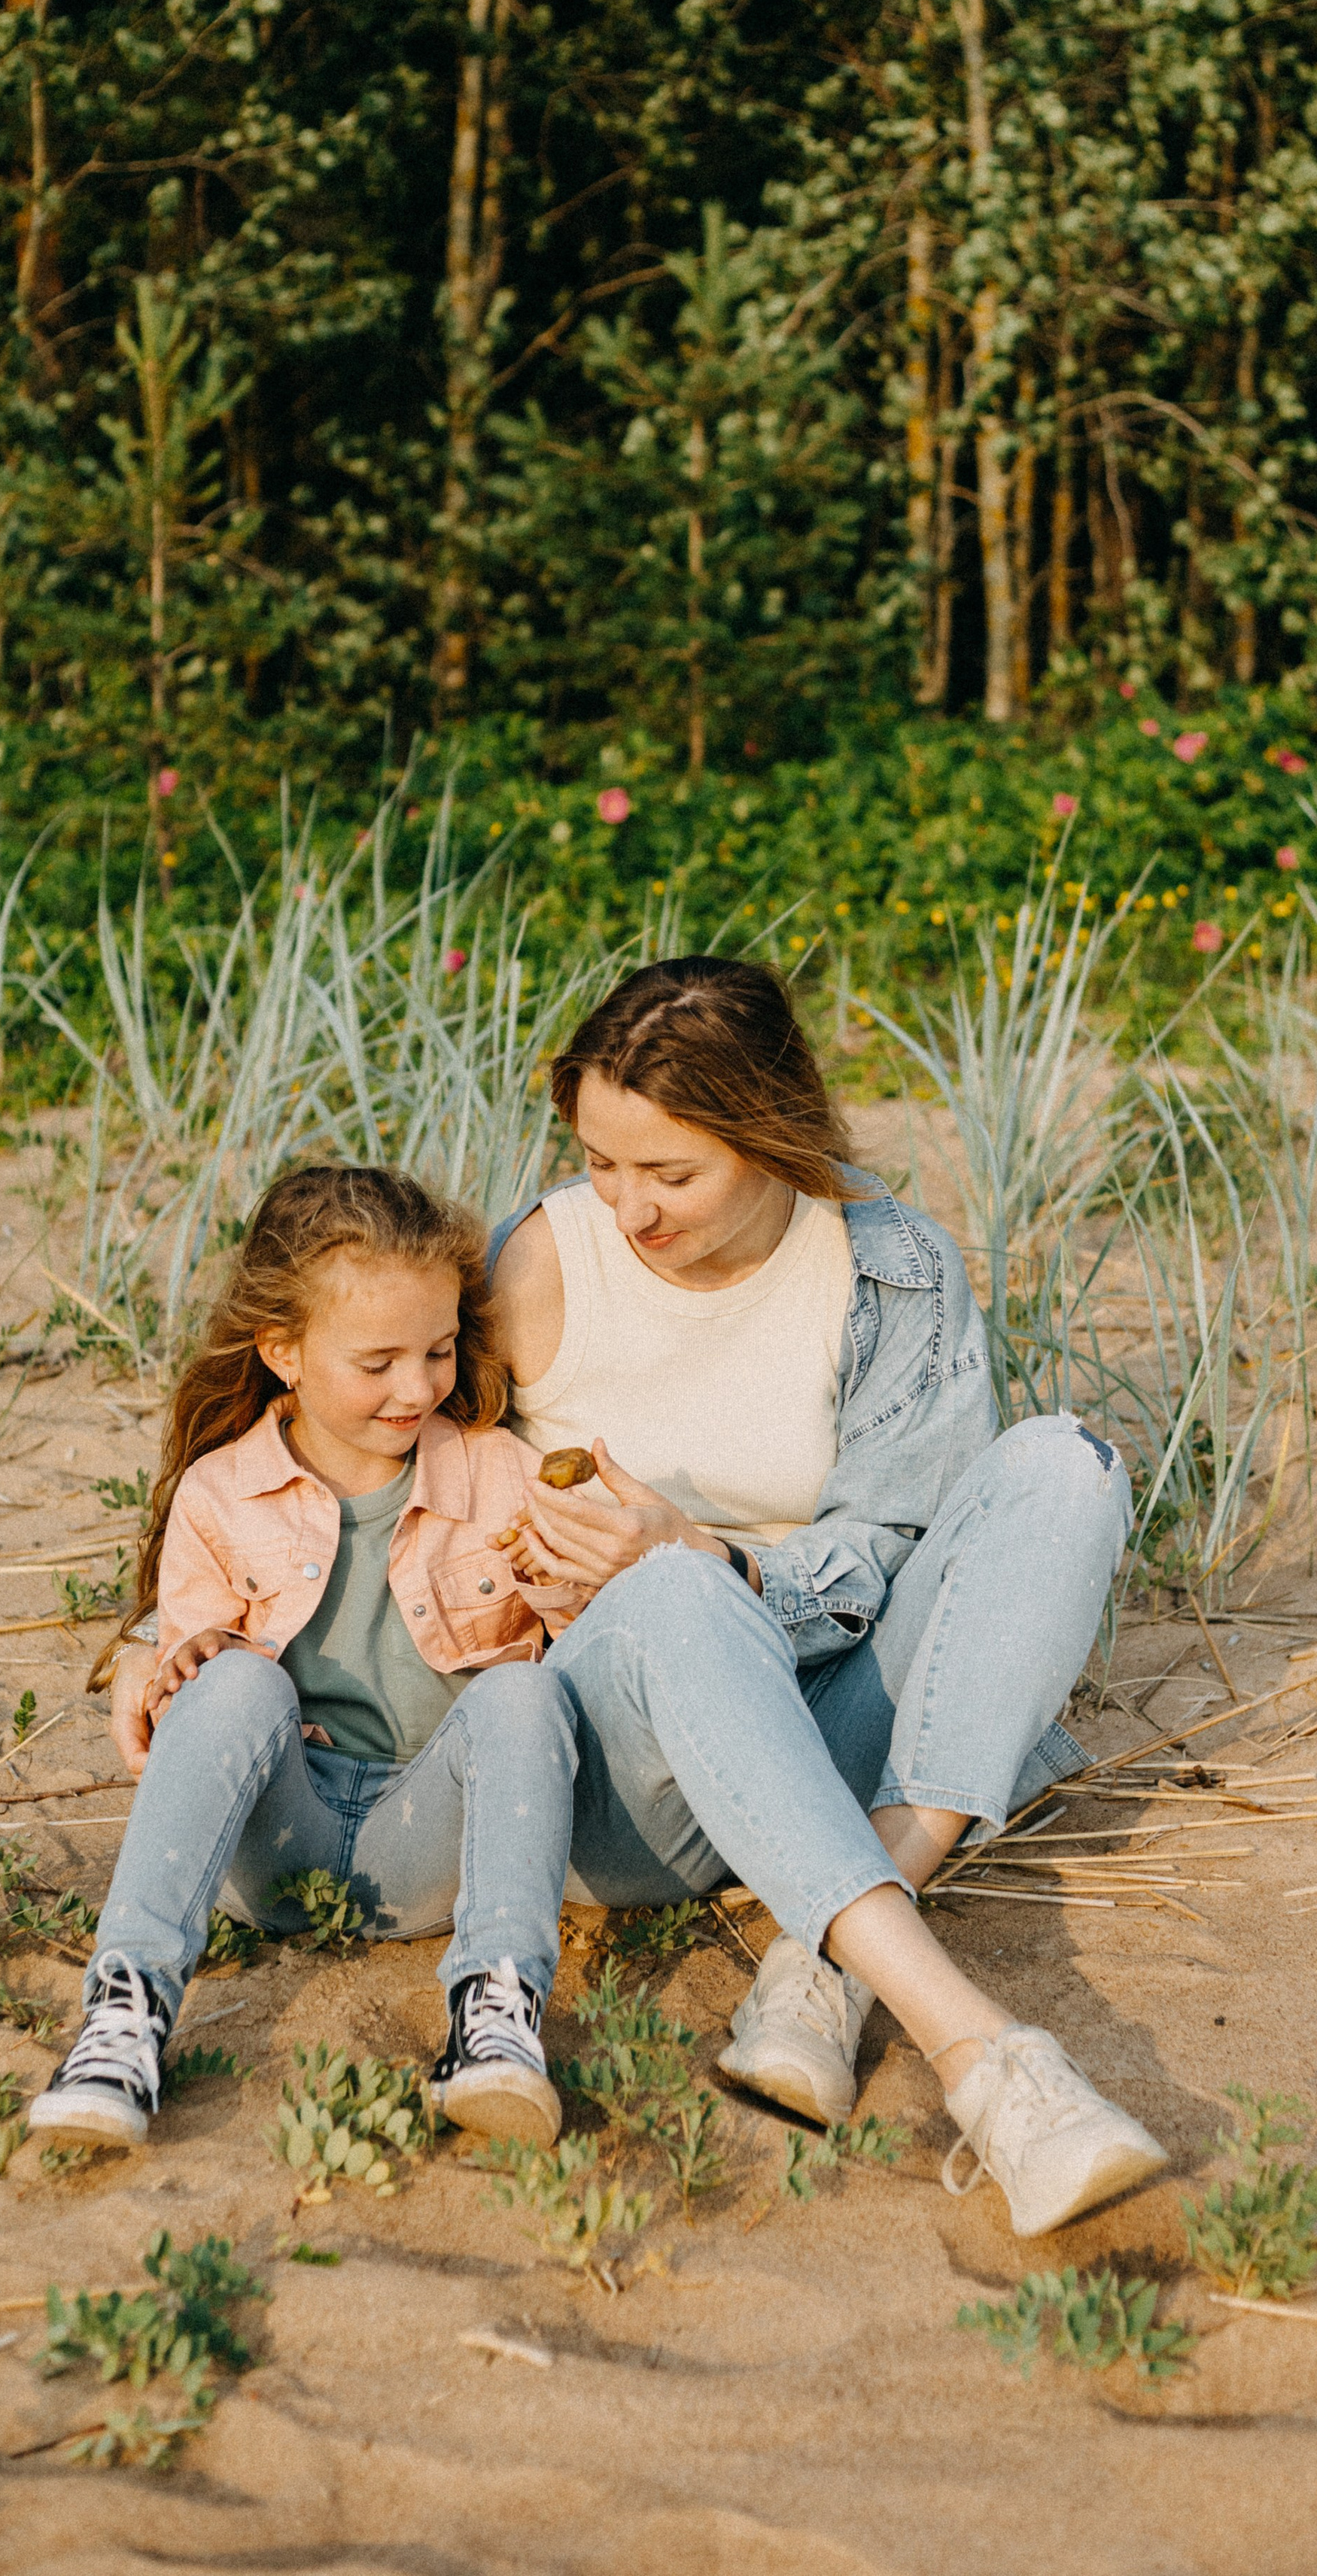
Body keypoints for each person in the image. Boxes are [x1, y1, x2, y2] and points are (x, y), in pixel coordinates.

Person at [493, 956, 1167, 2237]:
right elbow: (364, 1451)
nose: (629, 1207)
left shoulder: (890, 1265)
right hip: (628, 1780)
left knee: (1063, 1468)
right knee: (676, 1595)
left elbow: (898, 1536)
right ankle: (985, 2061)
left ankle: (827, 1949)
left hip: (822, 1710)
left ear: (770, 1132)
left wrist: (725, 1556)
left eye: (672, 1174)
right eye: (602, 1162)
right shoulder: (539, 1263)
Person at [30, 1166, 581, 2152]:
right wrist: (189, 1657)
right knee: (236, 1676)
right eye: (378, 1362)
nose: (417, 1387)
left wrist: (568, 1579)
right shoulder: (220, 1494)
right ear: (282, 1350)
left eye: (440, 1350)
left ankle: (495, 2012)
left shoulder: (499, 1473)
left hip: (434, 1848)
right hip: (271, 1842)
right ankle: (124, 2014)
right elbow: (184, 1692)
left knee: (524, 1692)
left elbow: (580, 1647)